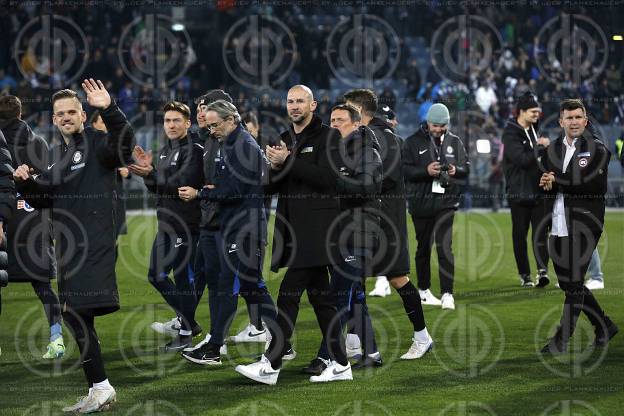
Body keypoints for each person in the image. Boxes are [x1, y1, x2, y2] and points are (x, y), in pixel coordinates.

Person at [14, 79, 134, 413]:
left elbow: (124, 147)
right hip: (69, 249)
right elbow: (43, 199)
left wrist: (109, 108)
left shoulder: (97, 144)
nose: (66, 117)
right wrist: (24, 182)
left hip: (93, 244)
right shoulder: (60, 158)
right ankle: (100, 387)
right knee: (76, 317)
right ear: (53, 120)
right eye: (60, 113)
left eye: (72, 111)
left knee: (77, 313)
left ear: (83, 114)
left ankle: (101, 388)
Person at [235, 85, 347, 385]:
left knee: (288, 295)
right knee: (322, 301)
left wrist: (288, 162)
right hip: (294, 230)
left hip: (319, 229)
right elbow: (271, 188)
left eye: (300, 101)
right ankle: (341, 364)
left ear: (314, 105)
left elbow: (329, 179)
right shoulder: (284, 139)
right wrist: (273, 167)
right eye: (290, 101)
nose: (294, 106)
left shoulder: (329, 137)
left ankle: (271, 364)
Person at [180, 100, 278, 366]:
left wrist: (202, 193)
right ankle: (216, 346)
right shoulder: (232, 144)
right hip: (236, 226)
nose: (211, 130)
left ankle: (280, 342)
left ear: (231, 120)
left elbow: (235, 190)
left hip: (244, 228)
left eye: (215, 124)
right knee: (239, 285)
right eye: (209, 125)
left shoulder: (243, 146)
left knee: (248, 286)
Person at [342, 90, 433, 362]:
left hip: (386, 222)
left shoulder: (386, 136)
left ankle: (422, 336)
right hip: (366, 219)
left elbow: (387, 176)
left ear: (360, 109)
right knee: (354, 278)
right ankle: (354, 341)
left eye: (348, 108)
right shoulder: (367, 134)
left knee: (397, 278)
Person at [539, 98, 618, 354]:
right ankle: (604, 325)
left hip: (586, 223)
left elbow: (591, 185)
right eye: (568, 118)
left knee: (573, 281)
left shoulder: (597, 149)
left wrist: (557, 180)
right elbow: (553, 183)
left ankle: (560, 342)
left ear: (585, 120)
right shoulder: (554, 149)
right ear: (561, 121)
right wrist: (546, 183)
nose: (573, 122)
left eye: (578, 117)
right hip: (560, 222)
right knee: (568, 283)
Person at [128, 101, 204, 352]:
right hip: (166, 223)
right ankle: (188, 324)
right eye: (167, 121)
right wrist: (149, 175)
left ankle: (186, 329)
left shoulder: (194, 149)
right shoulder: (164, 151)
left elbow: (181, 184)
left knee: (176, 277)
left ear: (188, 123)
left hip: (186, 224)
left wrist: (151, 174)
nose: (171, 125)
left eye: (176, 120)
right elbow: (159, 188)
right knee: (159, 276)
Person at [0, 95, 60, 359]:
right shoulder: (38, 142)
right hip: (35, 219)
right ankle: (56, 338)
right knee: (43, 285)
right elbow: (47, 181)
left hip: (4, 220)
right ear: (21, 114)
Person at [403, 103, 469, 310]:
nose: (439, 129)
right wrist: (426, 170)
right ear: (427, 122)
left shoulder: (455, 141)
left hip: (446, 202)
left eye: (443, 126)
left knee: (444, 247)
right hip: (421, 203)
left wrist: (454, 170)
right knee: (423, 248)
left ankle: (447, 293)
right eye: (435, 125)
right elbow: (404, 170)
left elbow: (466, 168)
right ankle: (423, 289)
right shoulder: (412, 142)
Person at [502, 92, 551, 288]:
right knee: (520, 235)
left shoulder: (533, 127)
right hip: (518, 192)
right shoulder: (510, 133)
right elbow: (521, 159)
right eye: (533, 111)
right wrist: (539, 147)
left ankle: (542, 272)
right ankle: (525, 275)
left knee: (541, 233)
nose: (537, 114)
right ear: (521, 112)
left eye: (538, 111)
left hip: (537, 189)